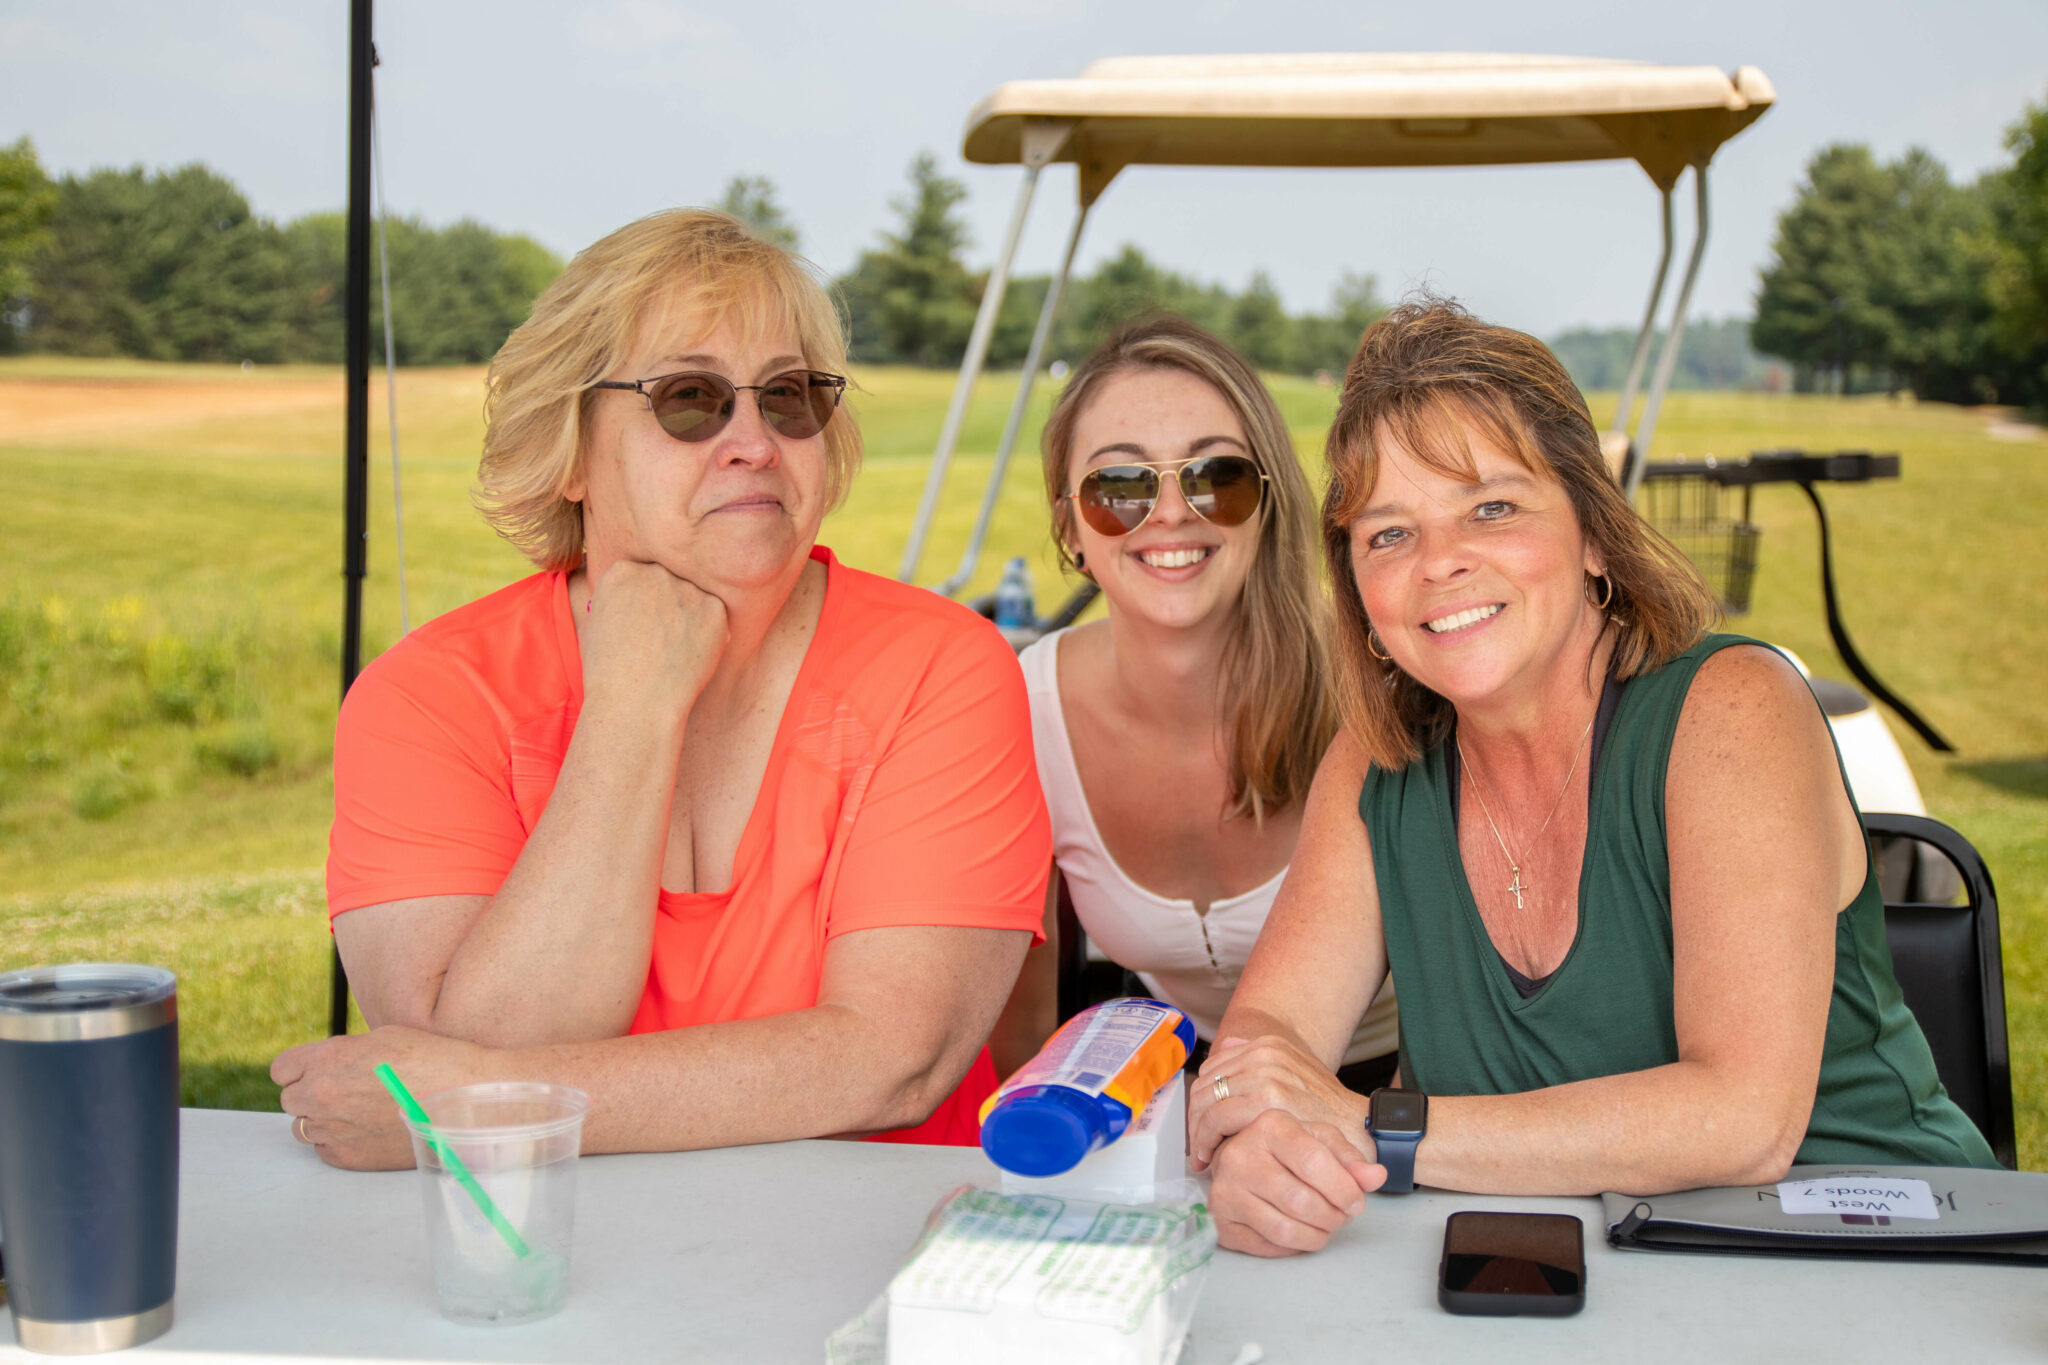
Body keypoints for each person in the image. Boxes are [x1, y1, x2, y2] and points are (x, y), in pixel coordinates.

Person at [1187, 298, 1996, 1257]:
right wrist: (1254, 1136)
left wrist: (1374, 1126)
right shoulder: (1376, 763)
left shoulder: (1733, 709)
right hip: (1566, 1272)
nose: (1441, 563)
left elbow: (1742, 1120)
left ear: (1595, 537)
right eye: (1390, 534)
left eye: (1492, 508)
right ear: (1360, 595)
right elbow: (1265, 1041)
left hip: (1887, 1258)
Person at [272, 210, 1051, 1169]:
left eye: (790, 396)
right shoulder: (429, 698)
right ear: (569, 449)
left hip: (883, 1237)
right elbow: (484, 1041)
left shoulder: (941, 664)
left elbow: (894, 1062)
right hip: (553, 1242)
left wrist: (475, 1108)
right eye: (690, 399)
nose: (755, 442)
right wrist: (634, 707)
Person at [991, 315, 1397, 1087]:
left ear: (1266, 502)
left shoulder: (1378, 683)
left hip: (1414, 1085)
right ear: (1068, 525)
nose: (1172, 511)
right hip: (1174, 1086)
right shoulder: (1026, 709)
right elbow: (1025, 1020)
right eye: (1119, 484)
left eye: (1217, 475)